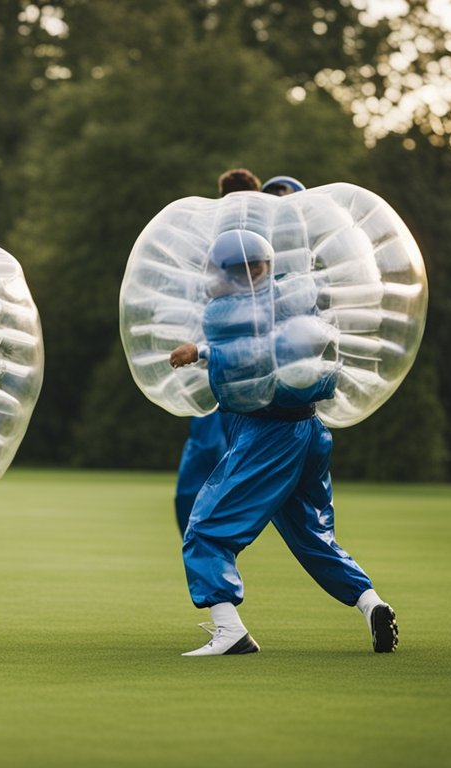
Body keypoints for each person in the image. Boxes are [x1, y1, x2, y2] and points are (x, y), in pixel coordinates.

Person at [168, 229, 397, 656]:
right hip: (311, 432)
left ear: (247, 270)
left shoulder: (239, 313)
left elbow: (260, 352)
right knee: (312, 532)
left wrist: (202, 353)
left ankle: (229, 629)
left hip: (270, 433)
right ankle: (372, 604)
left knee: (206, 529)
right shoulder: (296, 297)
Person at [172, 169, 262, 535]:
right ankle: (205, 537)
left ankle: (203, 537)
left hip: (228, 369)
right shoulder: (221, 248)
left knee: (215, 456)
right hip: (225, 369)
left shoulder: (247, 249)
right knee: (214, 453)